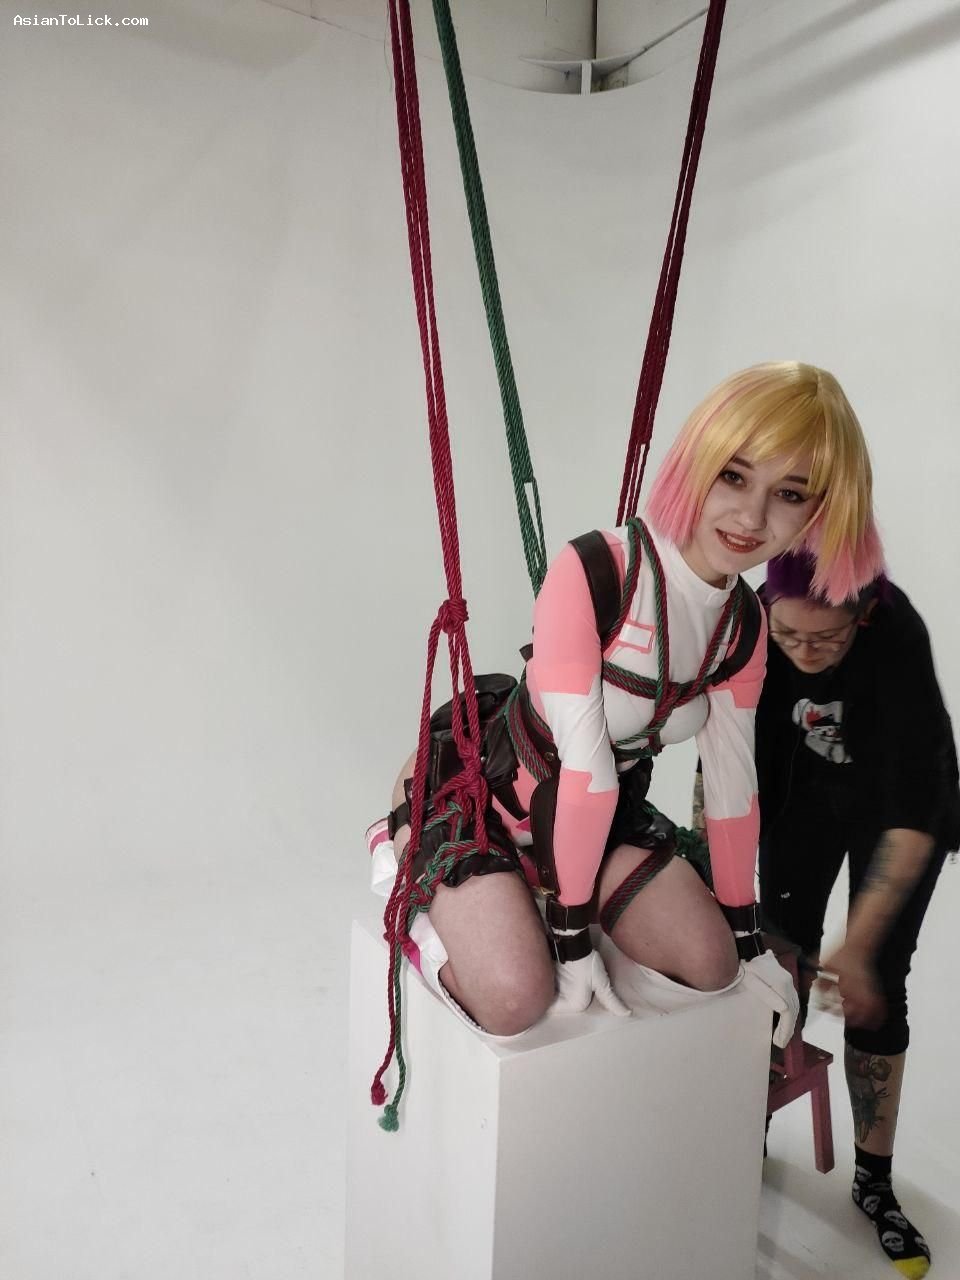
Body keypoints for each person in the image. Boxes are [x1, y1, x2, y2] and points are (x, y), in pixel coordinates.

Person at [370, 361, 882, 1059]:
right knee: (518, 1001)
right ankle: (411, 873)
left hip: (595, 823)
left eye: (789, 494)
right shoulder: (595, 572)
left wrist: (748, 940)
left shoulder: (743, 625)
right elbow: (584, 772)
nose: (752, 518)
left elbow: (733, 785)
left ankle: (540, 906)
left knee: (711, 965)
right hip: (485, 798)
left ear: (819, 511)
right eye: (733, 476)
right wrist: (571, 940)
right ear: (696, 461)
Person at [756, 550, 959, 1280]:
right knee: (773, 962)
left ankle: (874, 1183)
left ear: (863, 614)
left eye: (828, 638)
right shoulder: (752, 624)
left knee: (879, 980)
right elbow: (725, 755)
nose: (806, 653)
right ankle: (745, 1132)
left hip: (895, 812)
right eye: (790, 636)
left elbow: (916, 813)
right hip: (801, 794)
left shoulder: (896, 636)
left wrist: (861, 944)